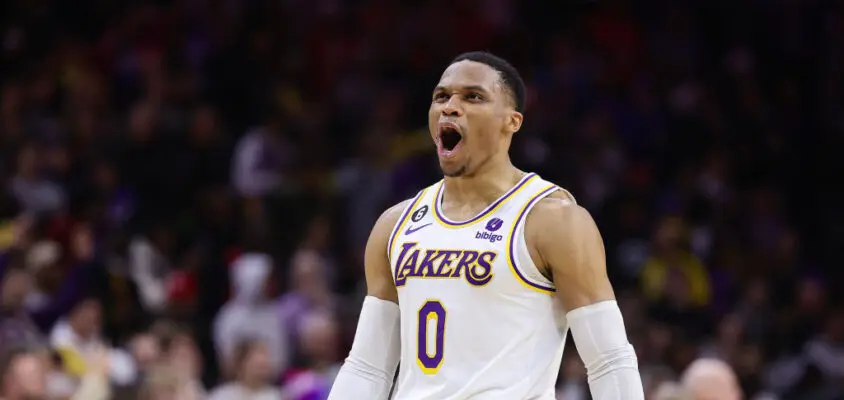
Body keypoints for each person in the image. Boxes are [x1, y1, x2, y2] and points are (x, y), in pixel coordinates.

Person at [328, 52, 643, 399]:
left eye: (473, 97)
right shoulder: (395, 224)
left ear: (512, 121)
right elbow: (367, 366)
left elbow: (609, 360)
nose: (450, 106)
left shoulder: (553, 220)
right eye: (441, 96)